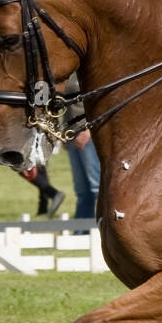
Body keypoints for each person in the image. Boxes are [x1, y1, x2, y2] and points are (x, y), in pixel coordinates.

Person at [63, 72, 100, 222]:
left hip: (88, 135)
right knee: (81, 190)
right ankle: (80, 228)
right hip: (72, 135)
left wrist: (90, 130)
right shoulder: (66, 72)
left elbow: (100, 101)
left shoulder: (89, 69)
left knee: (95, 186)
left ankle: (97, 225)